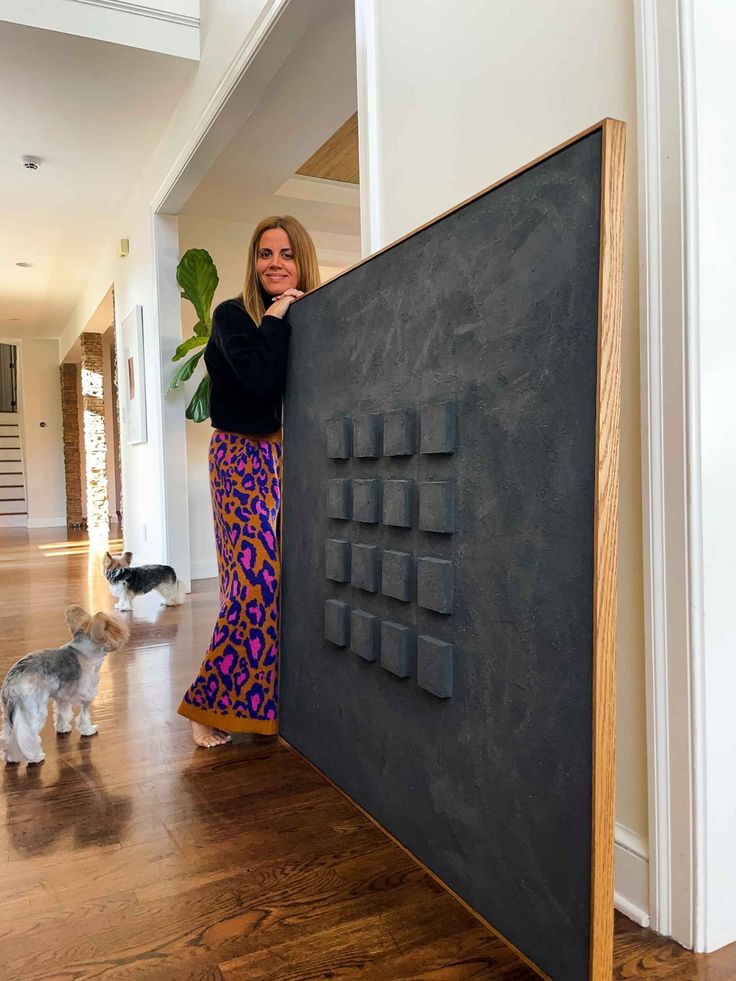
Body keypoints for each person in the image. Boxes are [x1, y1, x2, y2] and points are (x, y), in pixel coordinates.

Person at [177, 216, 320, 748]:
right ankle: (208, 705)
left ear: (302, 259)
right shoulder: (233, 316)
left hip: (292, 459)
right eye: (265, 253)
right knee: (252, 584)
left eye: (286, 253)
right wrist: (278, 315)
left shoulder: (314, 314)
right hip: (241, 457)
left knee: (287, 582)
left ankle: (266, 704)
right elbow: (261, 380)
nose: (275, 263)